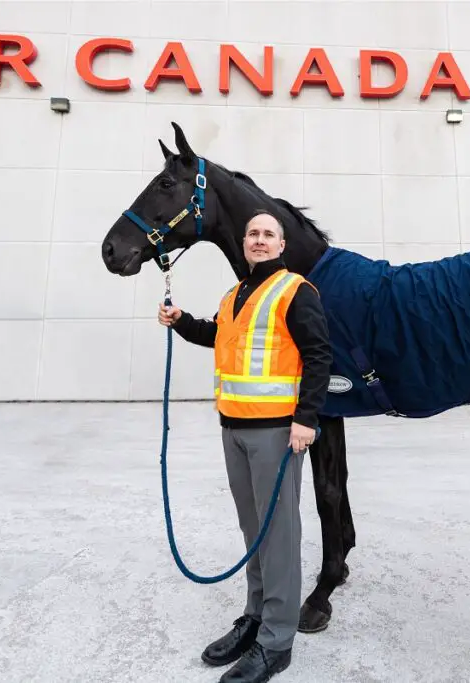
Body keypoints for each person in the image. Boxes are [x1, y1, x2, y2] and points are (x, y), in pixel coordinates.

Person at [158, 210, 332, 683]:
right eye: (252, 233)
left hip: (278, 432)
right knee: (254, 531)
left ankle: (277, 641)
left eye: (267, 234)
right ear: (244, 243)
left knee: (277, 536)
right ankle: (255, 618)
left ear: (281, 245)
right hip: (232, 428)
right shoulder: (235, 294)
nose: (258, 240)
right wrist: (181, 321)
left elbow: (319, 356)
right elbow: (219, 337)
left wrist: (306, 420)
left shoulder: (295, 292)